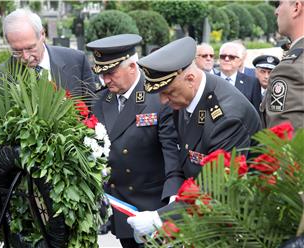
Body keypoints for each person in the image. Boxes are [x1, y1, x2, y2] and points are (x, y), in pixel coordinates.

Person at [126, 37, 261, 239]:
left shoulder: (227, 117)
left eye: (167, 92)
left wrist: (160, 219)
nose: (162, 101)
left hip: (234, 224)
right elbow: (186, 154)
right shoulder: (186, 98)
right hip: (201, 212)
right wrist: (174, 198)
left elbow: (217, 188)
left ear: (190, 78)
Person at [87, 34, 184, 248]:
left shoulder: (158, 97)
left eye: (111, 73)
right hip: (122, 209)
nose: (106, 80)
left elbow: (171, 155)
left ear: (132, 66)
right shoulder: (101, 100)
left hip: (153, 207)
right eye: (102, 74)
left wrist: (172, 202)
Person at [0, 8, 97, 97]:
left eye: (30, 48)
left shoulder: (76, 61)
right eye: (17, 51)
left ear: (42, 34)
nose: (25, 57)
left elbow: (93, 111)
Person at [262, 0, 304, 130]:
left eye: (278, 4)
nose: (276, 12)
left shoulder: (290, 69)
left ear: (296, 8)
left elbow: (286, 144)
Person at [218, 42, 262, 113]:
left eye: (231, 57)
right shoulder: (209, 81)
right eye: (223, 56)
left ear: (240, 62)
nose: (226, 59)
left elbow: (256, 113)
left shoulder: (252, 83)